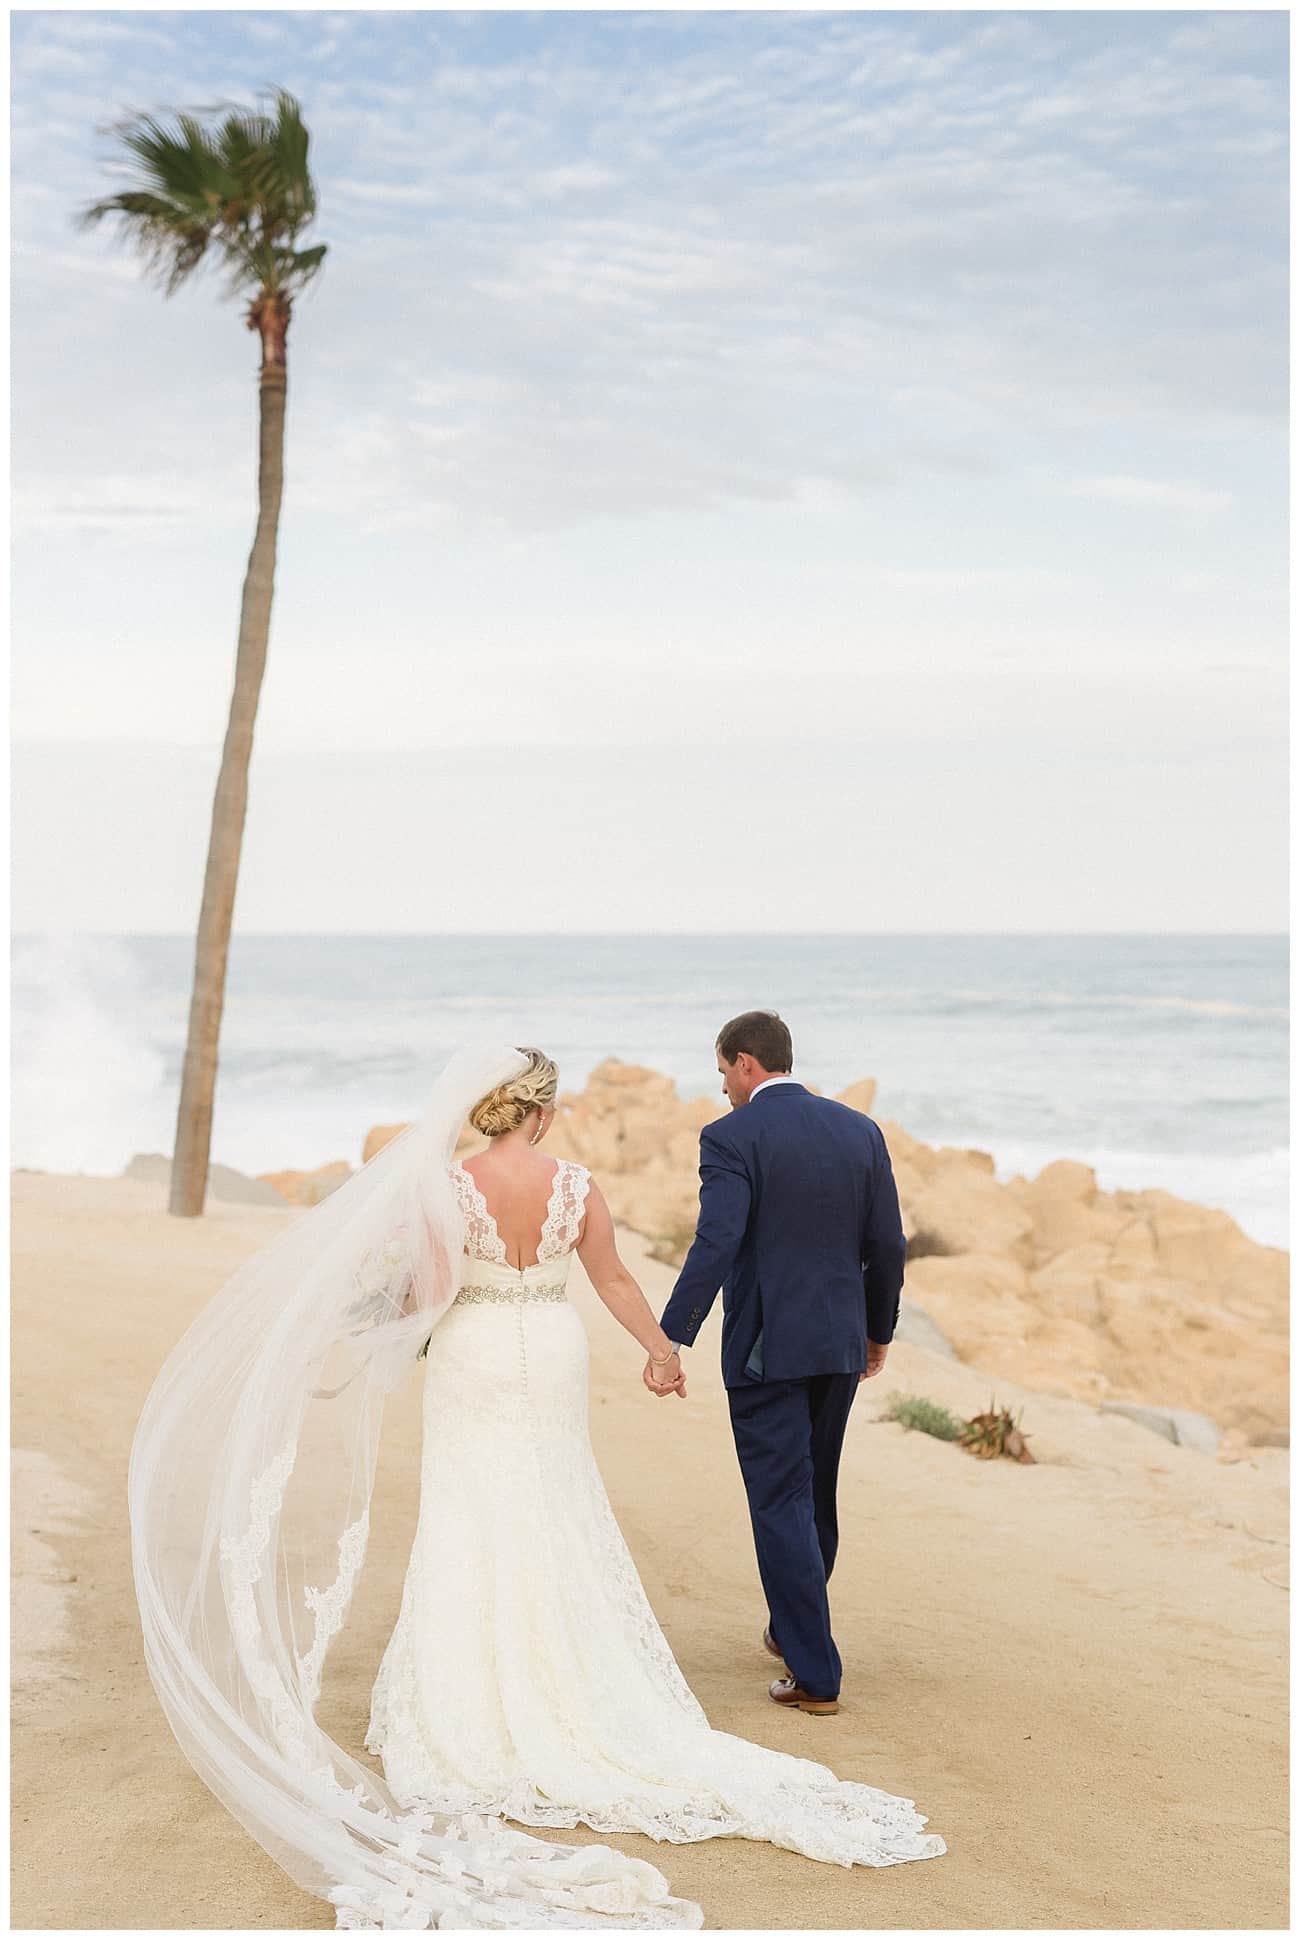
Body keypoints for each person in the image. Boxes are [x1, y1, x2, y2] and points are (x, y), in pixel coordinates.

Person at [130, 1041, 942, 1934]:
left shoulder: (448, 1189)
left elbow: (433, 1289)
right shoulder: (576, 1185)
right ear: (543, 1112)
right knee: (553, 1502)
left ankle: (467, 1693)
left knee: (468, 1512)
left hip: (475, 1354)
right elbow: (615, 1278)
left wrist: (375, 1317)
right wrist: (660, 1351)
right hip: (550, 1348)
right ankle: (573, 1680)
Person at [658, 1010, 906, 1714]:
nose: (724, 1091)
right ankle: (793, 1623)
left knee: (780, 1501)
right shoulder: (859, 1130)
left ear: (744, 1063)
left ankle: (815, 1673)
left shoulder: (731, 1136)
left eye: (723, 1075)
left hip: (769, 1348)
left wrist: (673, 1334)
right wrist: (878, 1328)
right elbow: (887, 1243)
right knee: (814, 1491)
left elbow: (718, 1241)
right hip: (839, 1342)